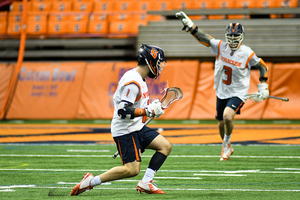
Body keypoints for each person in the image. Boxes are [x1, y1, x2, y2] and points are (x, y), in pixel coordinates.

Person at [70, 44, 172, 196]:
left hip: (136, 127)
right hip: (125, 130)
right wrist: (147, 110)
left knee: (165, 146)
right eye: (159, 64)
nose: (160, 68)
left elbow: (136, 106)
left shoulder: (140, 78)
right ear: (150, 62)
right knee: (132, 170)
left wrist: (151, 107)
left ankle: (146, 183)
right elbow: (123, 111)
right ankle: (90, 182)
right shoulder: (133, 82)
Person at [176, 11, 269, 161]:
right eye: (230, 36)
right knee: (220, 124)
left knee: (227, 116)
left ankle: (225, 145)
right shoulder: (221, 46)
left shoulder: (247, 52)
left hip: (239, 92)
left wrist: (263, 85)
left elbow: (263, 66)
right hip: (221, 91)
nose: (232, 39)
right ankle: (227, 145)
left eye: (235, 36)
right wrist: (191, 26)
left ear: (242, 36)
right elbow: (205, 38)